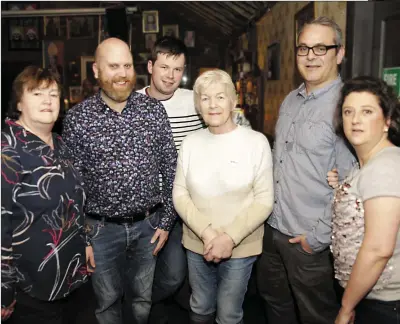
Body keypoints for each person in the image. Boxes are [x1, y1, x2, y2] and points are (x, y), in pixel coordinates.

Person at [62, 38, 177, 324]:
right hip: (100, 231)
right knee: (107, 303)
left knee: (141, 300)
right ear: (96, 70)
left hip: (148, 226)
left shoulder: (153, 112)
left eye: (127, 65)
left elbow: (172, 167)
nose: (123, 73)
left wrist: (166, 221)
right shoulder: (77, 119)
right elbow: (71, 185)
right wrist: (82, 238)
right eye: (113, 66)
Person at [256, 16, 356, 324]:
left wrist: (317, 237)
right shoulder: (290, 100)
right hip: (273, 230)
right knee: (276, 305)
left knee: (316, 315)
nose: (310, 55)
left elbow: (351, 182)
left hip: (309, 239)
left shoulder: (347, 106)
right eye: (303, 48)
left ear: (339, 54)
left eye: (320, 47)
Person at [173, 69, 274, 324]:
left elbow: (264, 200)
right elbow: (180, 194)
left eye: (220, 96)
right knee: (200, 307)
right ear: (198, 105)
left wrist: (228, 238)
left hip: (241, 244)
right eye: (205, 98)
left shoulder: (256, 142)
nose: (213, 104)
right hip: (198, 242)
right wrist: (207, 234)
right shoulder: (190, 142)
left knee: (229, 314)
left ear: (233, 100)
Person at [1, 66, 92, 323]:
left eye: (53, 94)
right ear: (18, 102)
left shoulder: (60, 144)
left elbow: (73, 203)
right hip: (30, 291)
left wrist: (85, 242)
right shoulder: (6, 150)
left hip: (71, 279)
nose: (47, 100)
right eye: (37, 93)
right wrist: (3, 291)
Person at [137, 35, 204, 321]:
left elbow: (228, 126)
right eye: (164, 67)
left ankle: (137, 302)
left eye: (178, 69)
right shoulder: (132, 103)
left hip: (181, 204)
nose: (171, 75)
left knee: (174, 273)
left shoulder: (195, 101)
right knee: (142, 268)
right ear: (151, 66)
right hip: (143, 206)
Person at [329, 76, 400, 324]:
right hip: (367, 296)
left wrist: (346, 307)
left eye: (367, 111)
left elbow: (379, 249)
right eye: (348, 112)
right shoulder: (368, 164)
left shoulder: (385, 166)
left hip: (385, 304)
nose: (355, 119)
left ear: (387, 121)